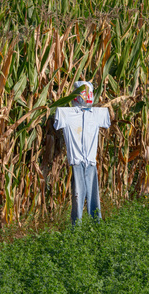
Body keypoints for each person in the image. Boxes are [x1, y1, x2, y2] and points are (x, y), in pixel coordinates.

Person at [53, 81, 111, 225]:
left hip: (90, 160)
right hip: (77, 160)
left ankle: (95, 224)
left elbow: (108, 121)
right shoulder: (66, 114)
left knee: (93, 195)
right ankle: (76, 227)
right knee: (77, 196)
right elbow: (56, 123)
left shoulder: (98, 113)